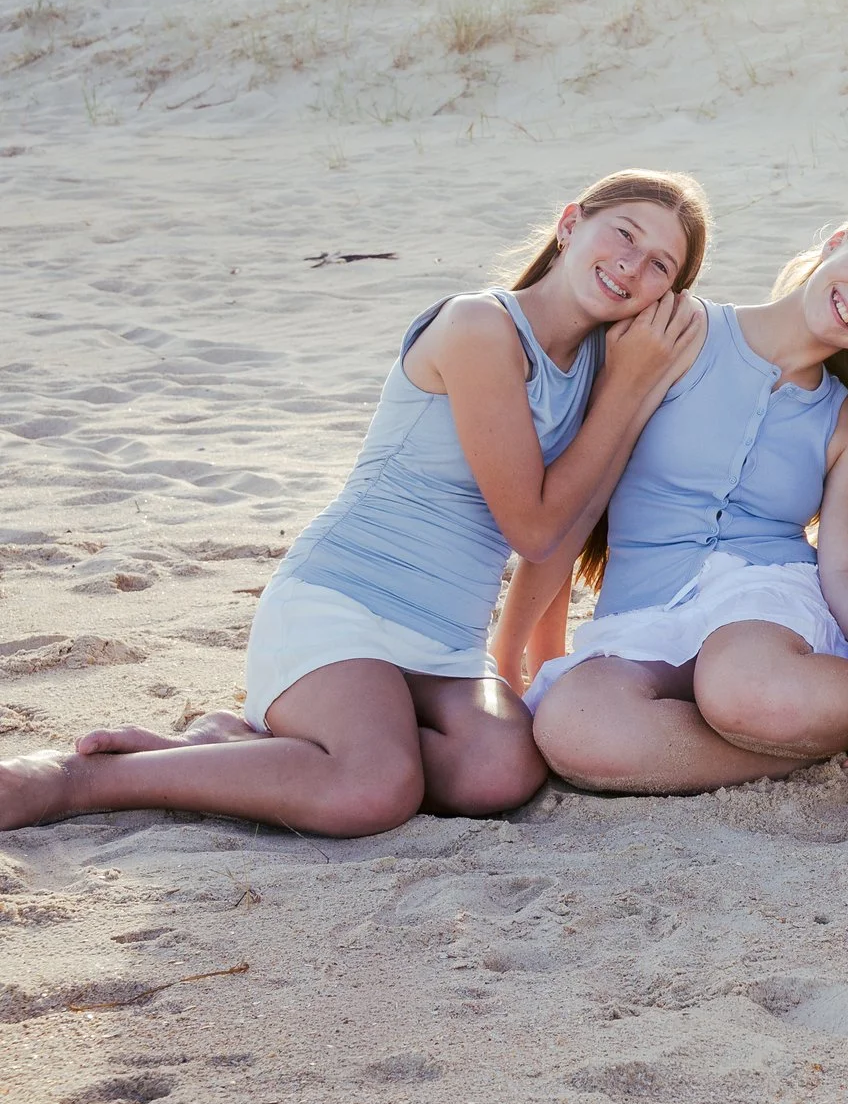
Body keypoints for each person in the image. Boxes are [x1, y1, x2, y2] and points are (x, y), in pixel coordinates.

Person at [0, 172, 710, 836]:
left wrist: (532, 658)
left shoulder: (599, 371)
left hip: (443, 646)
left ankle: (245, 749)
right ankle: (78, 781)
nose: (632, 265)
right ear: (568, 226)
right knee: (375, 786)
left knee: (502, 768)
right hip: (343, 604)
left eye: (659, 265)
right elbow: (532, 525)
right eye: (624, 234)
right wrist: (627, 393)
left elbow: (573, 523)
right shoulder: (479, 327)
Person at [497, 210, 848, 796]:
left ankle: (820, 712)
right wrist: (515, 653)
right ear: (837, 241)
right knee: (573, 728)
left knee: (740, 687)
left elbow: (844, 567)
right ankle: (792, 749)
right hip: (642, 614)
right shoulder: (679, 332)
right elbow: (577, 501)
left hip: (765, 606)